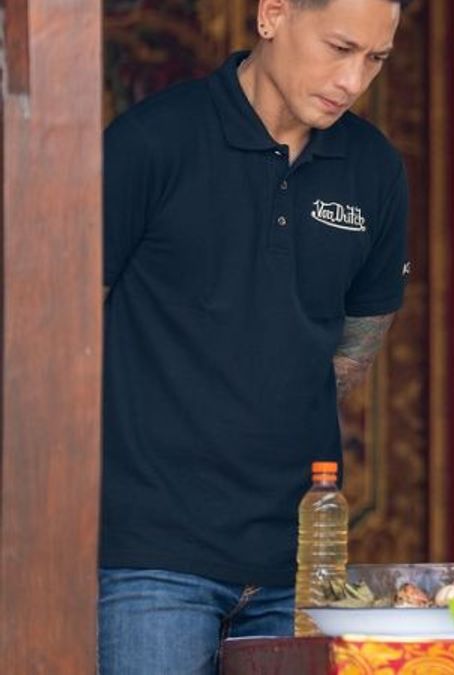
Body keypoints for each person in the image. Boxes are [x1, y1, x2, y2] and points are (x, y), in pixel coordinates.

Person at [99, 0, 412, 671]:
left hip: (299, 561)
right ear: (272, 14)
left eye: (376, 59)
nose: (354, 79)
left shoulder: (374, 170)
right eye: (339, 46)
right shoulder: (152, 142)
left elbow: (360, 337)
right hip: (154, 553)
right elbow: (62, 333)